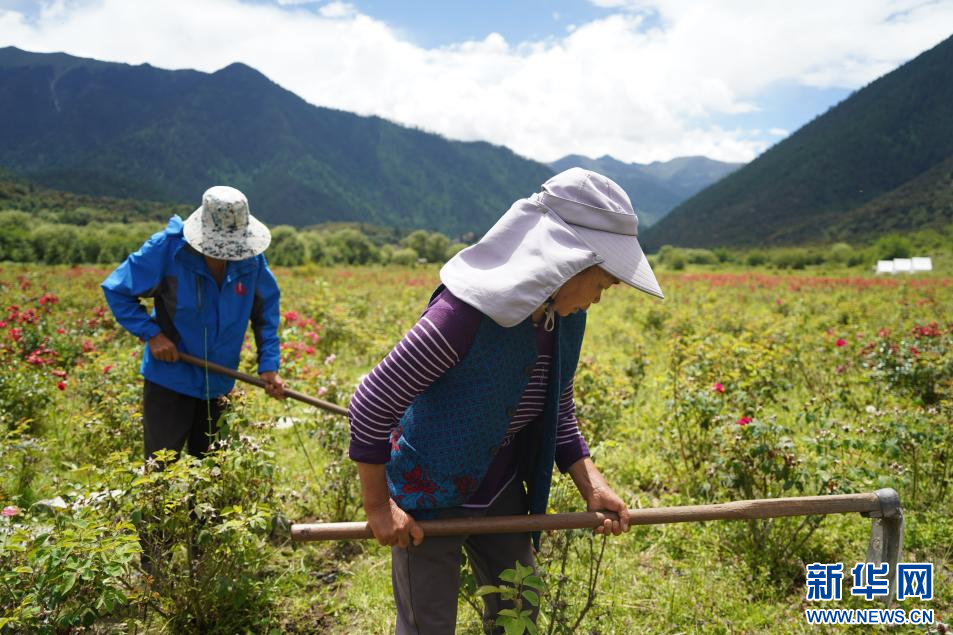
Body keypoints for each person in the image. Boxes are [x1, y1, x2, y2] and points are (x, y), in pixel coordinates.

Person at [347, 167, 665, 634]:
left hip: (500, 487)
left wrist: (591, 483)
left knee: (519, 605)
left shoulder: (564, 319)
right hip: (427, 490)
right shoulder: (461, 317)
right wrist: (379, 508)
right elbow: (372, 402)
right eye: (600, 284)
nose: (598, 298)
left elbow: (557, 407)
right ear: (568, 263)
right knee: (427, 624)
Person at [102, 185, 285, 463]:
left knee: (211, 469)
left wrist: (269, 365)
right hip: (170, 379)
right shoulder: (167, 250)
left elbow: (266, 312)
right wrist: (152, 335)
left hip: (220, 381)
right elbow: (117, 289)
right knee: (161, 470)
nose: (226, 253)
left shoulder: (250, 259)